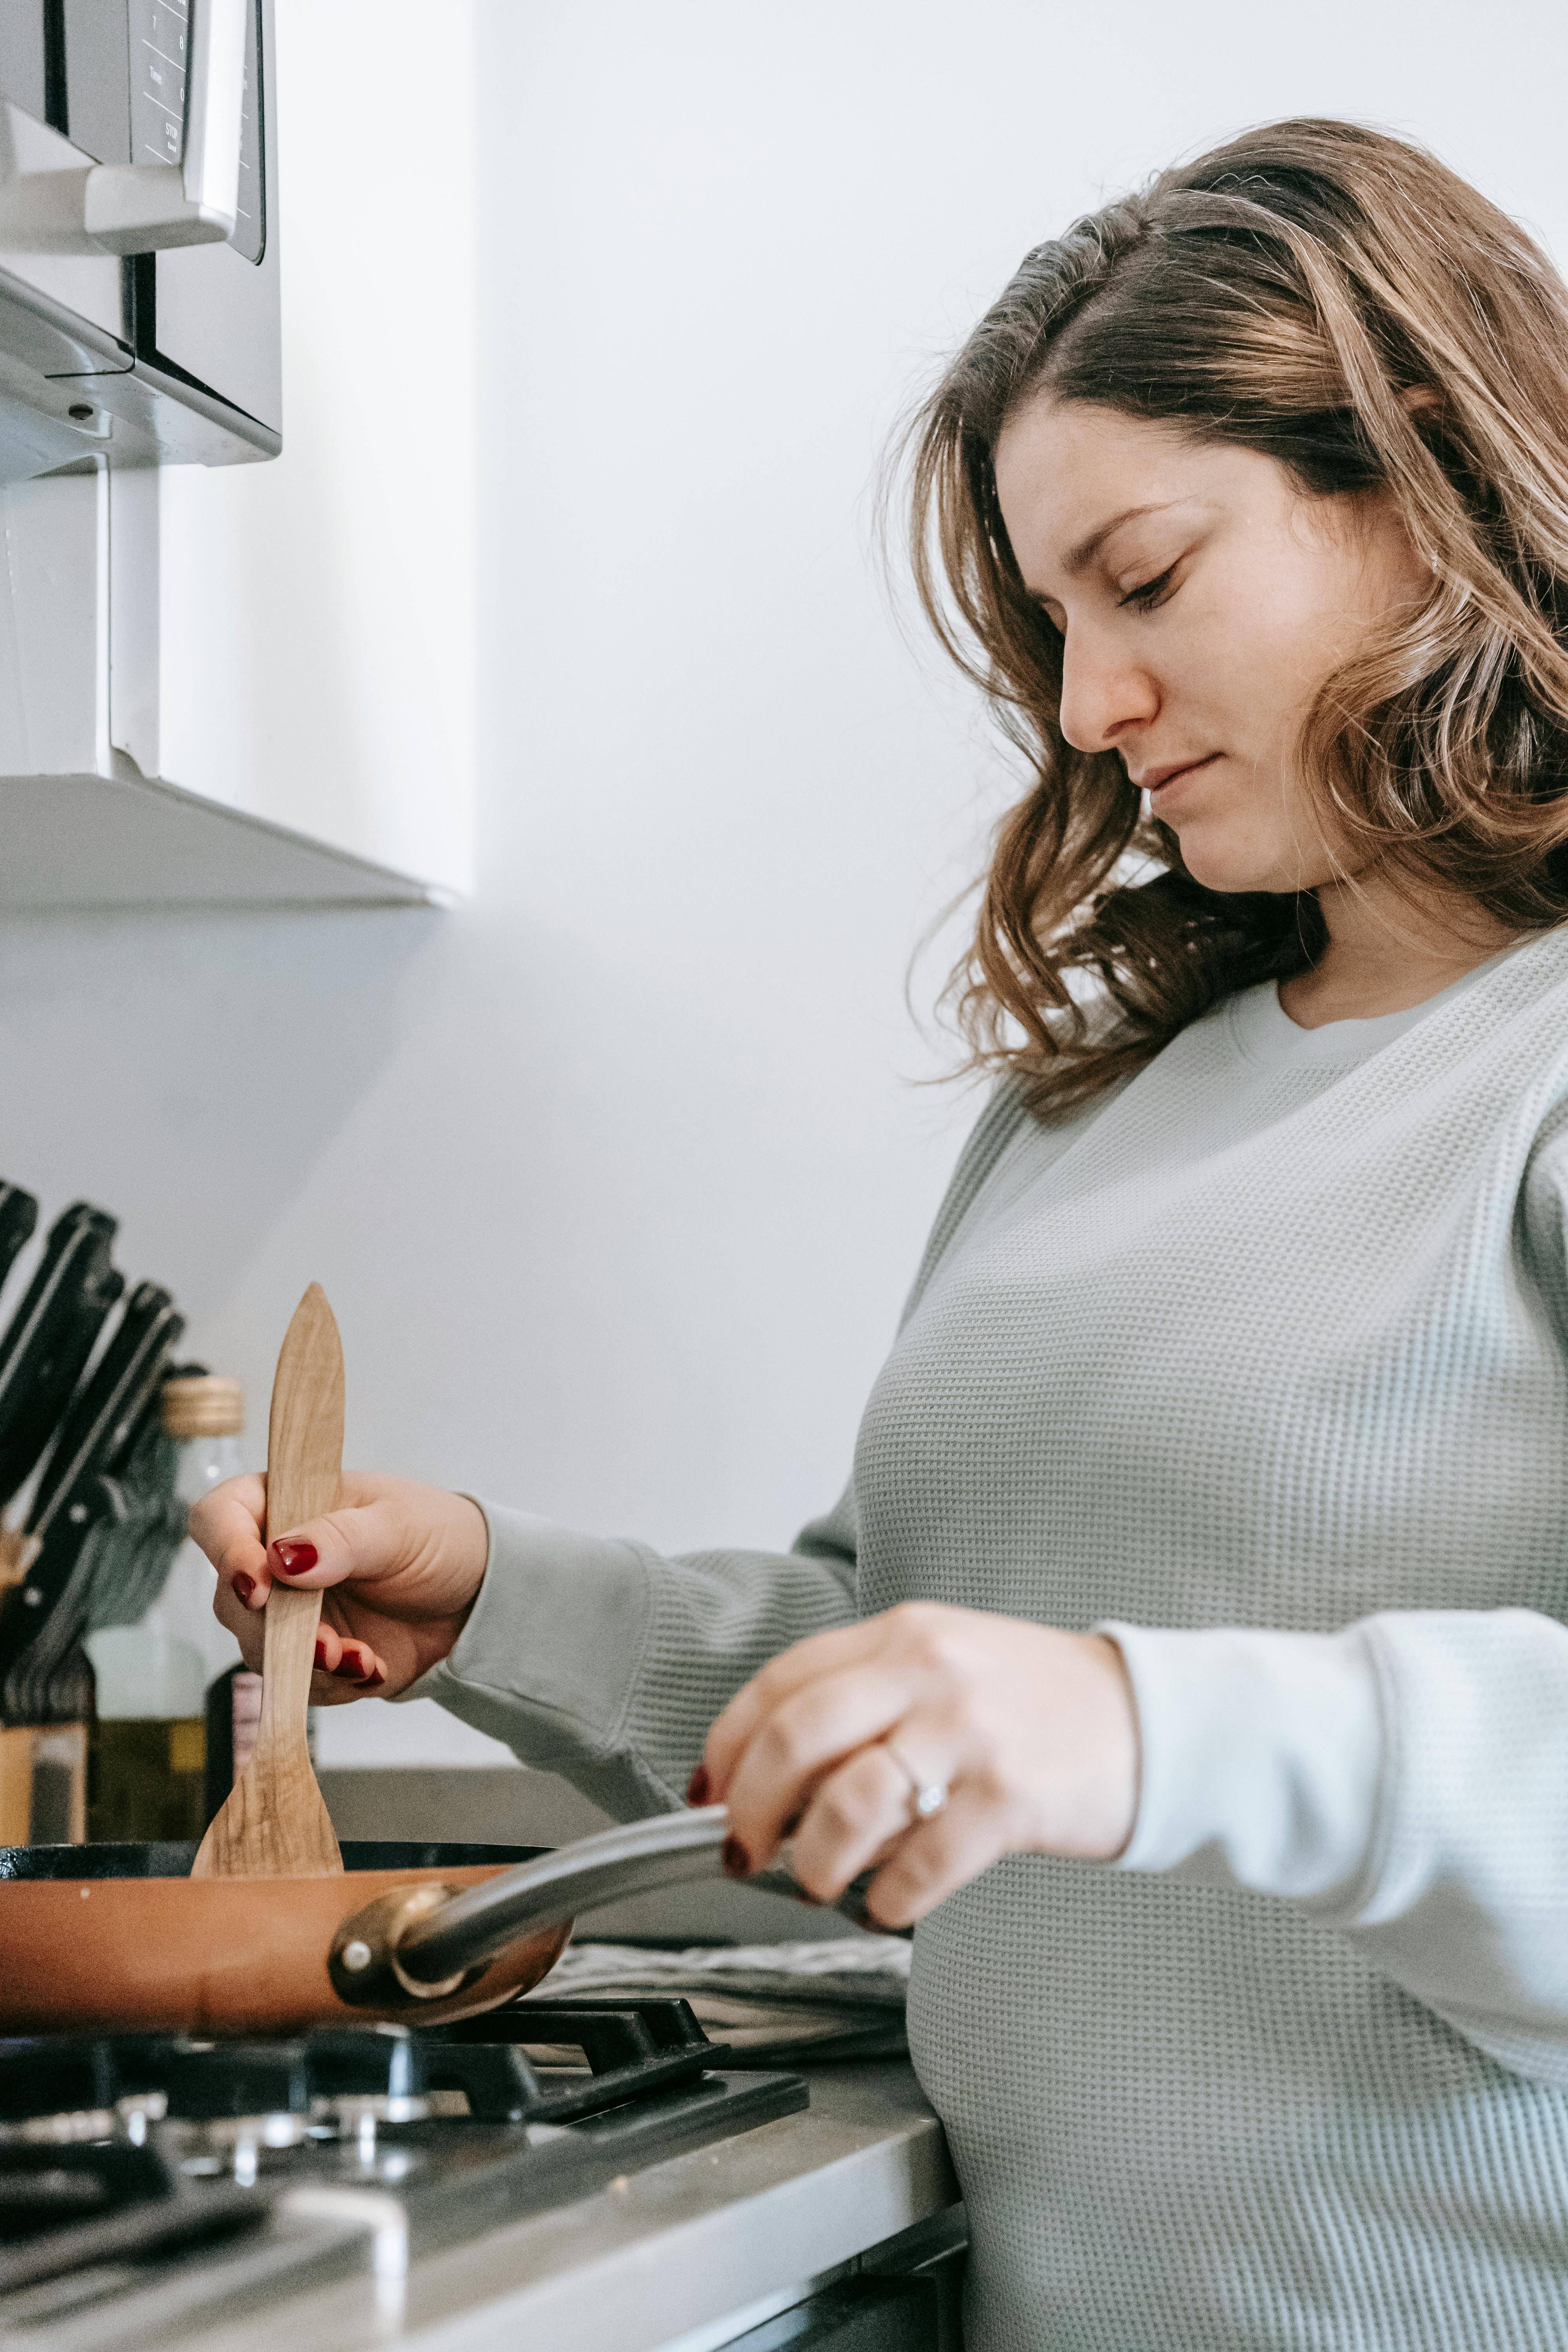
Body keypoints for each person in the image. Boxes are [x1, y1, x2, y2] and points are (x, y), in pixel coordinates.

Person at [194, 117, 1568, 2350]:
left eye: (1145, 577)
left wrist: (1135, 1723)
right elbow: (912, 1673)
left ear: (1425, 480)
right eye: (1049, 623)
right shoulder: (1104, 1101)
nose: (1088, 707)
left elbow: (1108, 1722)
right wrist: (499, 1592)